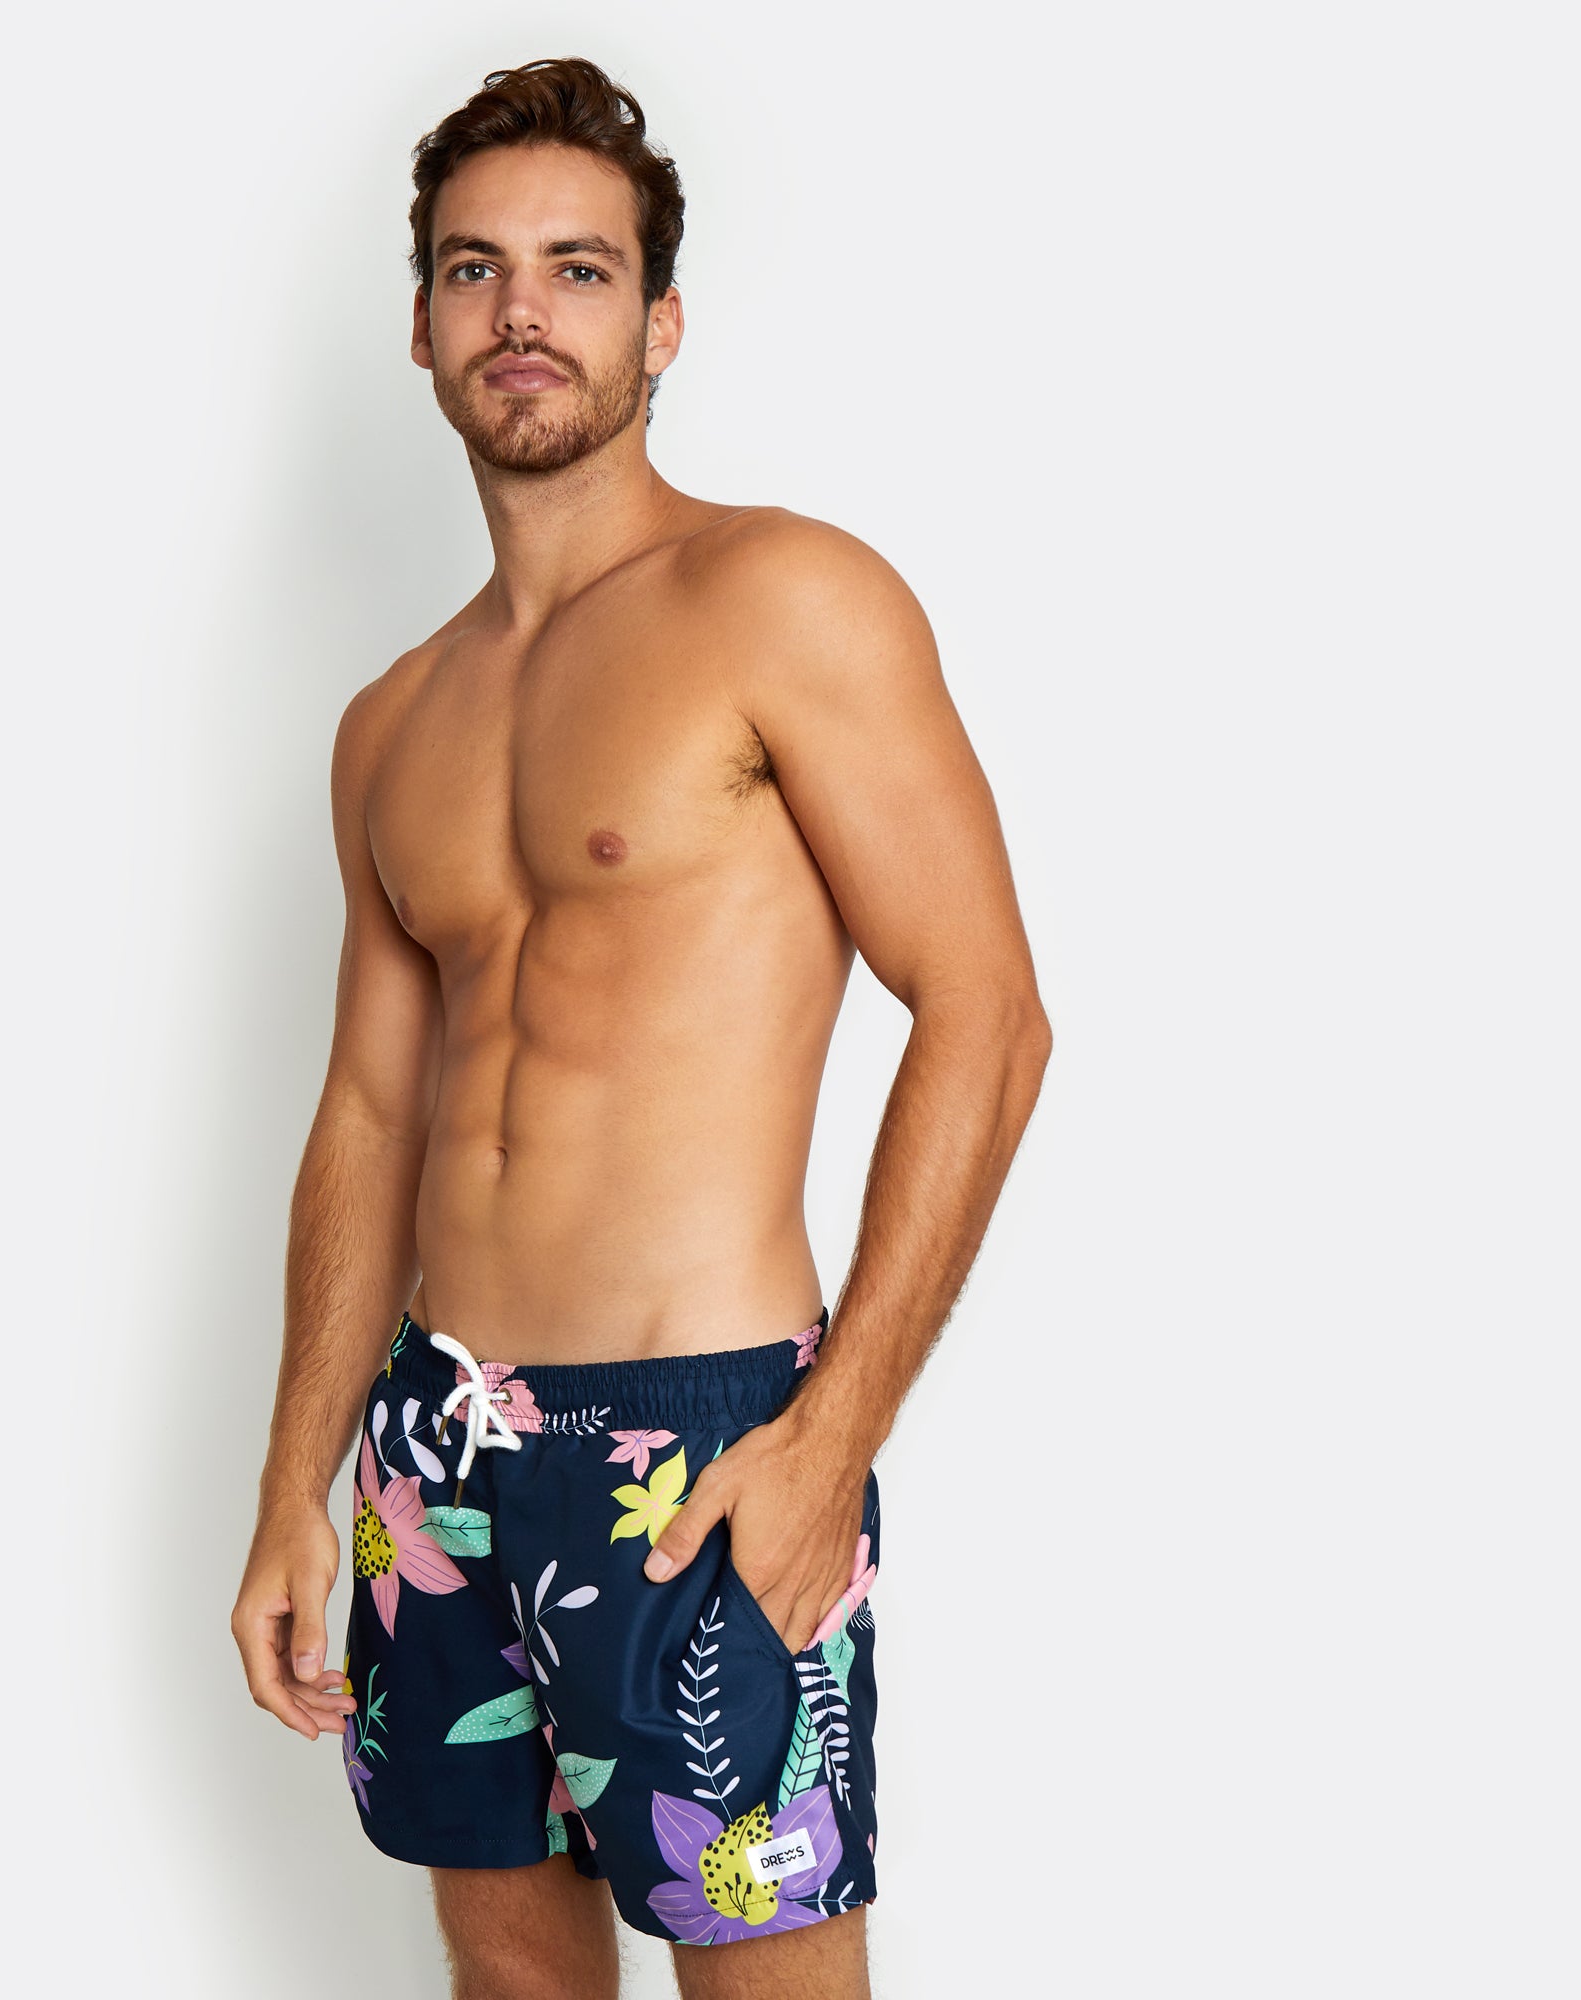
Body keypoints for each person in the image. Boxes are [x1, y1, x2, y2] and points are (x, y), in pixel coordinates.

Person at [233, 55, 1051, 2000]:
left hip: (698, 1443)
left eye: (578, 269)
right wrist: (293, 1484)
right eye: (476, 269)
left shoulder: (784, 599)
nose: (522, 310)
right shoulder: (390, 724)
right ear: (423, 328)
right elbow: (368, 1116)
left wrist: (832, 1435)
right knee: (510, 1976)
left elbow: (988, 1013)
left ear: (659, 323)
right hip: (436, 1443)